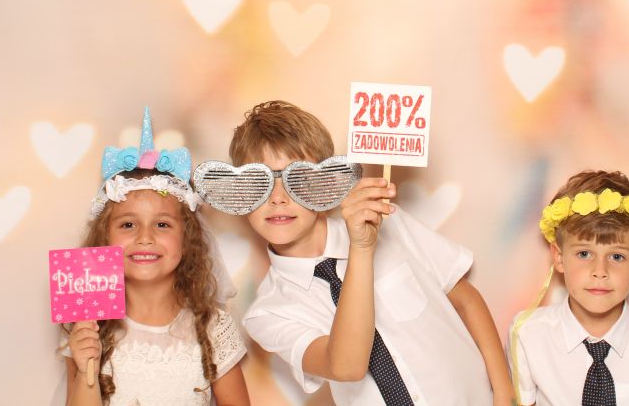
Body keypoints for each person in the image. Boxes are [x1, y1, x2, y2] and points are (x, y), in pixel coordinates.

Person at [220, 100, 513, 405]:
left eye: (297, 179)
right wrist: (361, 248)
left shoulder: (390, 222)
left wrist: (504, 393)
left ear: (328, 183)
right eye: (260, 183)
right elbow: (346, 366)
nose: (277, 198)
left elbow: (466, 301)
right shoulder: (268, 312)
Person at [60, 108, 250, 406]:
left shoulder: (213, 327)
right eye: (128, 225)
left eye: (162, 224)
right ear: (104, 237)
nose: (145, 237)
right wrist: (86, 369)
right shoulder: (88, 324)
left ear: (187, 238)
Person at [509, 170, 629, 406]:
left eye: (616, 256)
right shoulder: (527, 334)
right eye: (584, 254)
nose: (600, 270)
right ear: (559, 257)